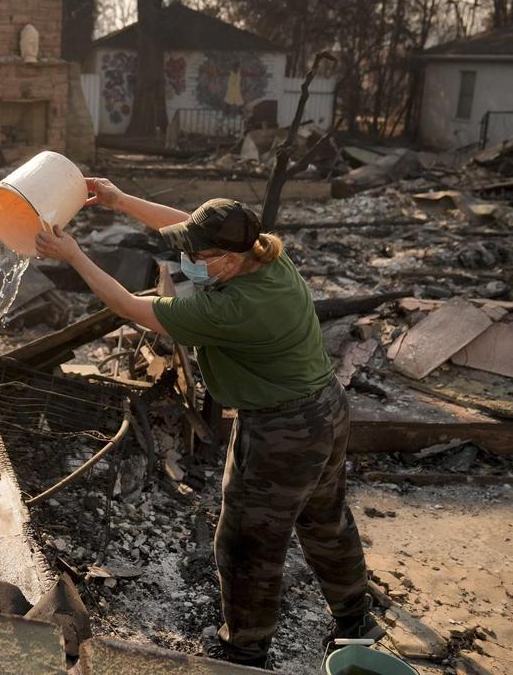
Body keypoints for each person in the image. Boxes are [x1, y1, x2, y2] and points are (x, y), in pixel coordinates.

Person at [34, 178, 382, 669]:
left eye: (203, 256)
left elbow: (129, 307)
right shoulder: (266, 254)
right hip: (324, 408)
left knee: (246, 544)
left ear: (231, 258)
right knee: (325, 521)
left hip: (282, 430)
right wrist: (121, 201)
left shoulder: (233, 307)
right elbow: (182, 225)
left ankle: (244, 654)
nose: (191, 262)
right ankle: (356, 623)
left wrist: (73, 255)